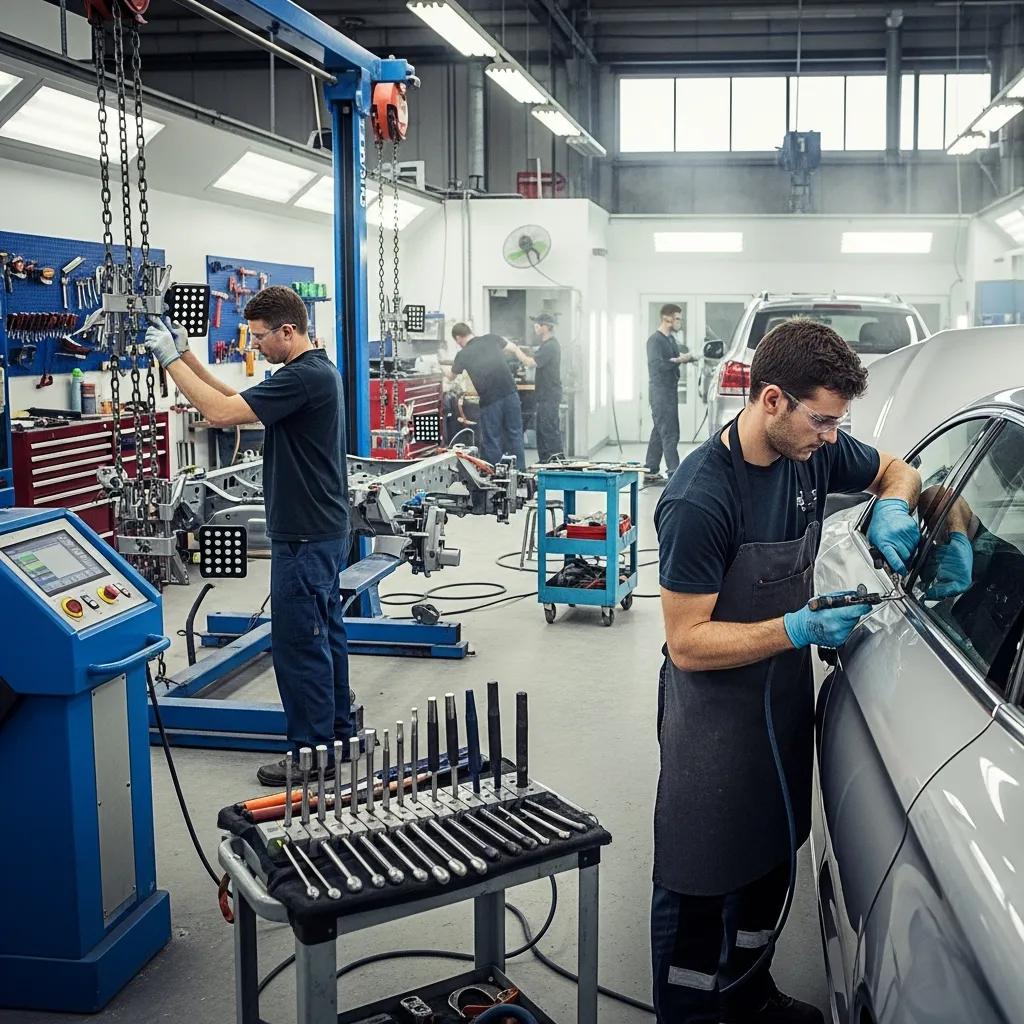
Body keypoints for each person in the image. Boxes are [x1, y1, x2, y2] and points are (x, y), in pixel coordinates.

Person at [651, 318, 922, 1024]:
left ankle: (751, 992)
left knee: (772, 865)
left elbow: (898, 468)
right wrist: (797, 628)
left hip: (777, 705)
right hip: (711, 721)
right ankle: (688, 1012)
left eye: (839, 423)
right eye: (823, 421)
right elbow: (686, 642)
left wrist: (894, 503)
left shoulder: (814, 456)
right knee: (703, 884)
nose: (832, 437)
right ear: (772, 400)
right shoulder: (699, 499)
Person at [144, 286, 354, 787]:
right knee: (325, 634)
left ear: (288, 331)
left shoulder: (303, 378)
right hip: (320, 529)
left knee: (299, 644)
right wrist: (189, 356)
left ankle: (310, 753)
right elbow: (235, 399)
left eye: (260, 338)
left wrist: (169, 360)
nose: (253, 346)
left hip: (304, 535)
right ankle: (337, 735)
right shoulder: (311, 372)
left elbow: (218, 415)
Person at [446, 322, 527, 470]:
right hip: (511, 393)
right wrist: (527, 361)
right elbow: (513, 348)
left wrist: (439, 368)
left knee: (492, 439)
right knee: (515, 434)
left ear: (458, 338)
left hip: (491, 400)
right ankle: (520, 473)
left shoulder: (463, 354)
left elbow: (451, 377)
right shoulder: (491, 338)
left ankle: (495, 475)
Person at [645, 302, 696, 482]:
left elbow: (675, 358)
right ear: (667, 318)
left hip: (670, 392)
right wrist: (677, 361)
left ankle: (650, 471)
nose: (679, 322)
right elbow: (656, 365)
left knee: (659, 431)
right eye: (677, 319)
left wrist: (689, 358)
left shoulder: (671, 339)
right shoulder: (654, 340)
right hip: (660, 393)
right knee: (670, 432)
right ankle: (675, 475)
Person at [508, 312, 564, 463]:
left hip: (549, 395)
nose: (535, 327)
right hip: (545, 394)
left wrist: (515, 349)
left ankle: (553, 460)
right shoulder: (547, 345)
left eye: (538, 324)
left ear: (545, 327)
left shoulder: (551, 346)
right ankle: (546, 460)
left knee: (548, 429)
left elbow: (531, 363)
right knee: (543, 428)